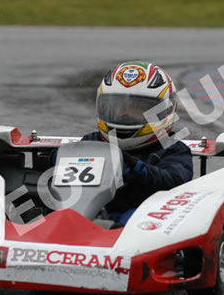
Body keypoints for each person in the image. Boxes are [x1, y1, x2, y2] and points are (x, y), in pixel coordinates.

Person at [82, 61, 193, 226]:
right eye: (118, 107)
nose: (125, 114)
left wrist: (136, 169)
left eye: (137, 108)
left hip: (145, 221)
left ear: (165, 111)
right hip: (90, 212)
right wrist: (55, 159)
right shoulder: (92, 142)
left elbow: (173, 182)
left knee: (136, 219)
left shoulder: (173, 149)